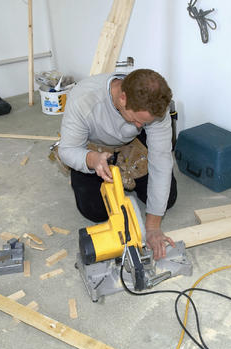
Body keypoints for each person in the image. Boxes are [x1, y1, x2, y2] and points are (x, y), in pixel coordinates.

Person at [58, 69, 177, 260]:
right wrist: (92, 160)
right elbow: (67, 150)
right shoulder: (84, 99)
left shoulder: (155, 108)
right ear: (123, 98)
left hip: (132, 144)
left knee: (167, 199)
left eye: (145, 122)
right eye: (138, 119)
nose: (139, 125)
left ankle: (125, 172)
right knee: (95, 211)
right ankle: (102, 169)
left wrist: (153, 227)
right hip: (93, 148)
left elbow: (161, 161)